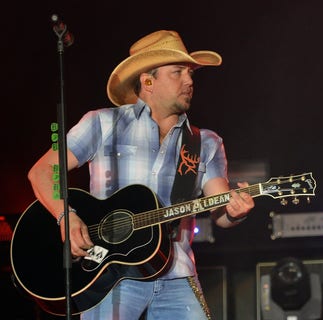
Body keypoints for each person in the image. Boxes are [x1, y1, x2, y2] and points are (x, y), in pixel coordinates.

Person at [28, 30, 255, 319]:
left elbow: (220, 212)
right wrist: (67, 217)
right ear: (148, 80)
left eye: (191, 74)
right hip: (109, 273)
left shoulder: (206, 142)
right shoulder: (102, 123)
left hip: (176, 274)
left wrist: (236, 211)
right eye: (177, 72)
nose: (189, 81)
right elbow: (43, 171)